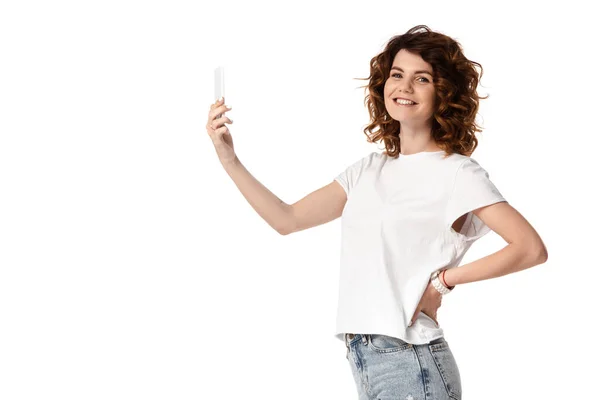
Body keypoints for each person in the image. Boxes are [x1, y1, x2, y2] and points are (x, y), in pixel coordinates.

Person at [205, 24, 548, 400]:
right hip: (367, 356)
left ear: (444, 94)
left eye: (421, 79)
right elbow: (286, 220)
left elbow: (529, 248)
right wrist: (229, 159)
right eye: (397, 75)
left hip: (411, 359)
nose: (404, 87)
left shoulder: (457, 173)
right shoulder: (367, 171)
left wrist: (443, 281)